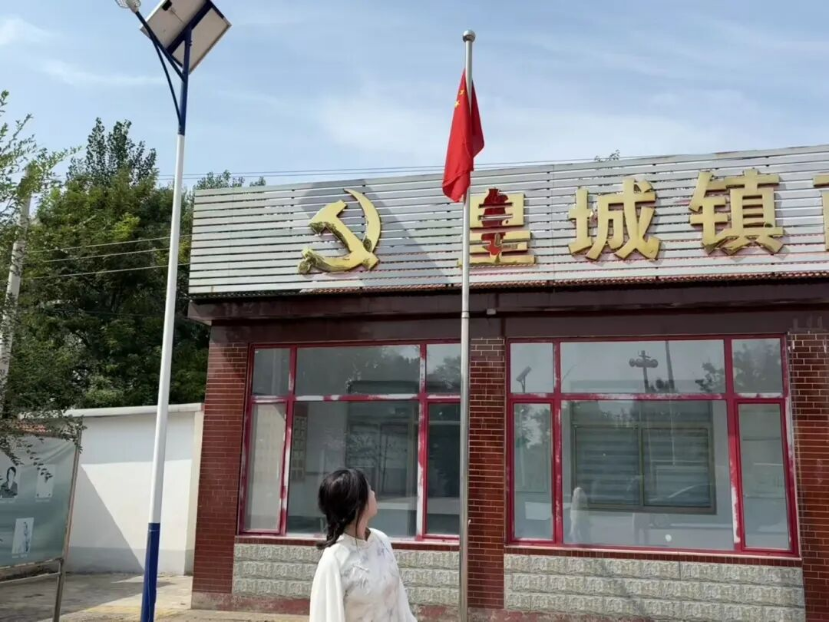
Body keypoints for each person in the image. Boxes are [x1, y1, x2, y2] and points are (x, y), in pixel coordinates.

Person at [310, 468, 416, 622]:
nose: (374, 493)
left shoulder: (381, 541)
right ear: (357, 503)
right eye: (369, 489)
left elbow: (401, 606)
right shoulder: (334, 560)